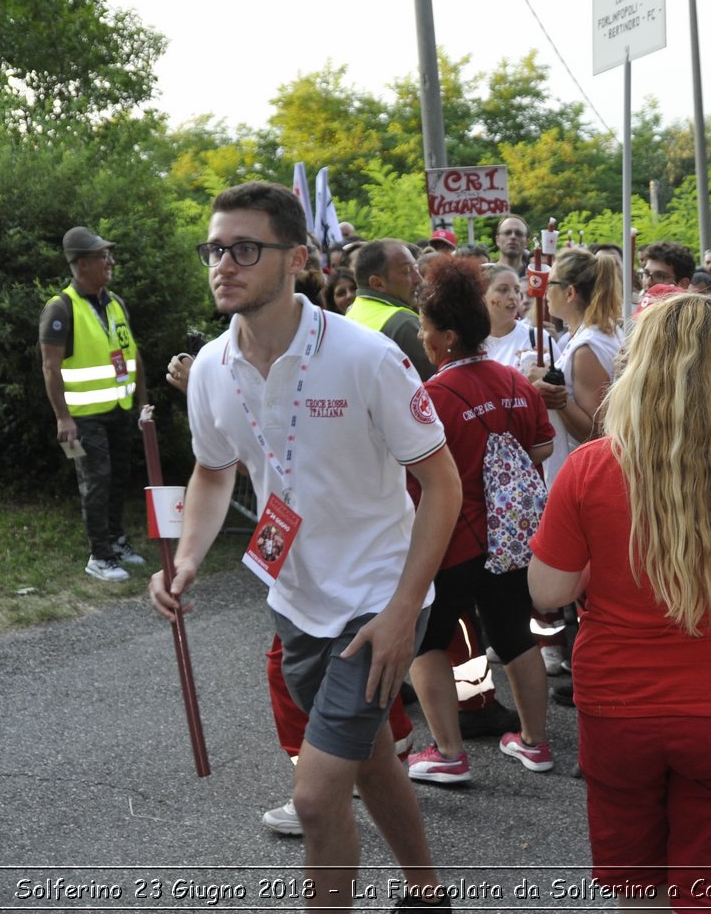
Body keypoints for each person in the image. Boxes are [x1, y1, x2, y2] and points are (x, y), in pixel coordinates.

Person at [149, 181, 462, 912]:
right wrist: (189, 557)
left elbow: (442, 486)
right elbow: (211, 469)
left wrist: (402, 611)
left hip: (377, 602)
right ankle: (427, 895)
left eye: (244, 248)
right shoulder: (209, 368)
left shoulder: (366, 356)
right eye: (215, 249)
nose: (223, 264)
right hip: (296, 601)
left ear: (294, 259)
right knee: (370, 757)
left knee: (317, 798)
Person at [528, 293, 711, 909]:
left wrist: (601, 554)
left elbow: (548, 592)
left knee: (634, 888)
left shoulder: (591, 469)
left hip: (619, 702)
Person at [403, 258, 557, 785]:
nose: (422, 336)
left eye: (425, 327)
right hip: (512, 541)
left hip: (452, 542)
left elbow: (415, 479)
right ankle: (535, 743)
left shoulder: (432, 397)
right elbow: (542, 445)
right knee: (515, 636)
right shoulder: (515, 379)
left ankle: (447, 753)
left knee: (427, 643)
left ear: (446, 336)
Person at [39, 225, 147, 582]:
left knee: (118, 479)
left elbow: (133, 354)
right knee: (97, 481)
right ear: (82, 264)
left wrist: (142, 403)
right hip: (84, 418)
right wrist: (62, 418)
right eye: (103, 256)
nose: (110, 261)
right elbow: (50, 366)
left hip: (119, 410)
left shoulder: (116, 304)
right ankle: (99, 556)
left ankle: (116, 542)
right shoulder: (60, 308)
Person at [526, 247, 622, 486]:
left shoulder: (587, 347)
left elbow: (596, 433)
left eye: (551, 283)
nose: (545, 291)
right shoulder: (592, 334)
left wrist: (553, 391)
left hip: (583, 477)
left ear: (569, 292)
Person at [347, 239, 433, 381]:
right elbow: (435, 388)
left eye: (416, 269)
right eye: (407, 271)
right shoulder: (403, 323)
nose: (419, 279)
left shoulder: (352, 311)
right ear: (377, 283)